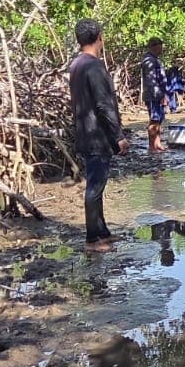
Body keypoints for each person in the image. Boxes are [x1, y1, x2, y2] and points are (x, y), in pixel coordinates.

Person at [68, 19, 130, 253]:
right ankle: (93, 239)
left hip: (85, 133)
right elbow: (104, 105)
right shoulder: (94, 66)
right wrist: (119, 137)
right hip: (96, 136)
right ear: (99, 37)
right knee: (95, 187)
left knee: (98, 185)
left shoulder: (76, 64)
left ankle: (102, 231)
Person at [140, 38, 167, 153]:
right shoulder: (149, 61)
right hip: (153, 96)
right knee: (154, 120)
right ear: (153, 46)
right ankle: (152, 147)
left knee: (159, 119)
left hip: (157, 94)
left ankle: (157, 144)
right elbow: (151, 81)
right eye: (160, 45)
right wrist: (160, 96)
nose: (161, 48)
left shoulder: (154, 59)